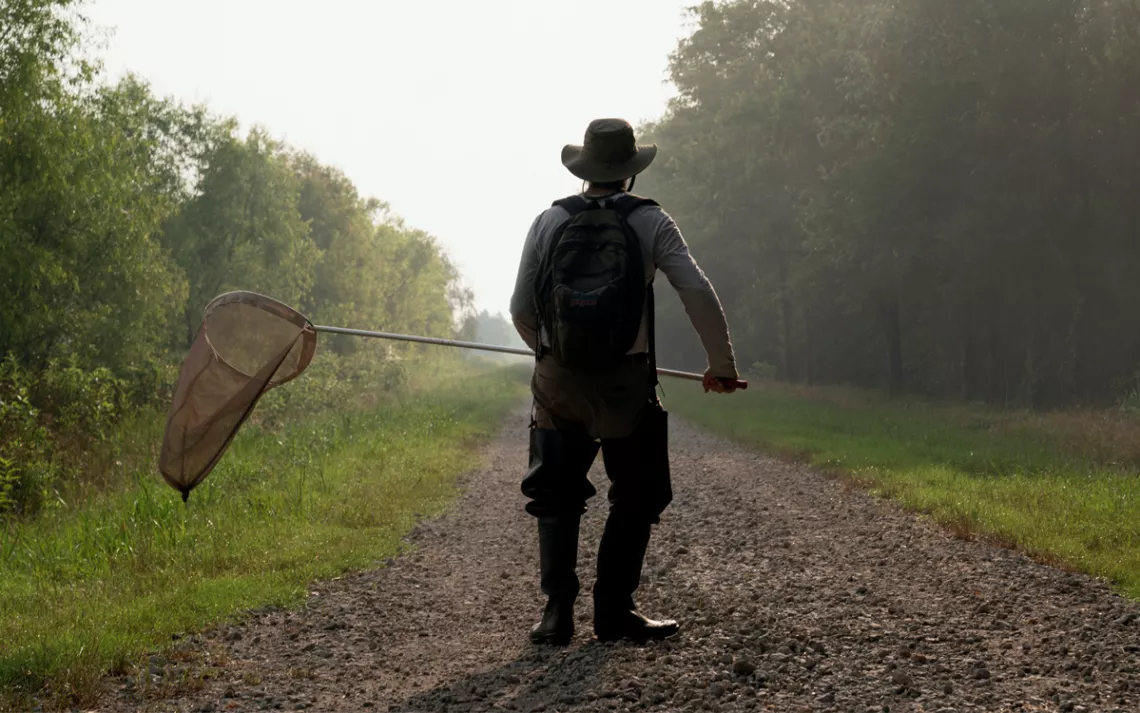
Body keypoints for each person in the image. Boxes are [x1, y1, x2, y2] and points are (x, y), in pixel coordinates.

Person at [509, 118, 741, 646]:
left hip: (557, 380)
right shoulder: (651, 221)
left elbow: (522, 308)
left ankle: (555, 616)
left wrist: (552, 356)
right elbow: (697, 291)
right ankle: (614, 612)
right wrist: (721, 365)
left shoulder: (549, 220)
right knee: (637, 492)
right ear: (631, 172)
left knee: (556, 494)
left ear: (585, 168)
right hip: (626, 382)